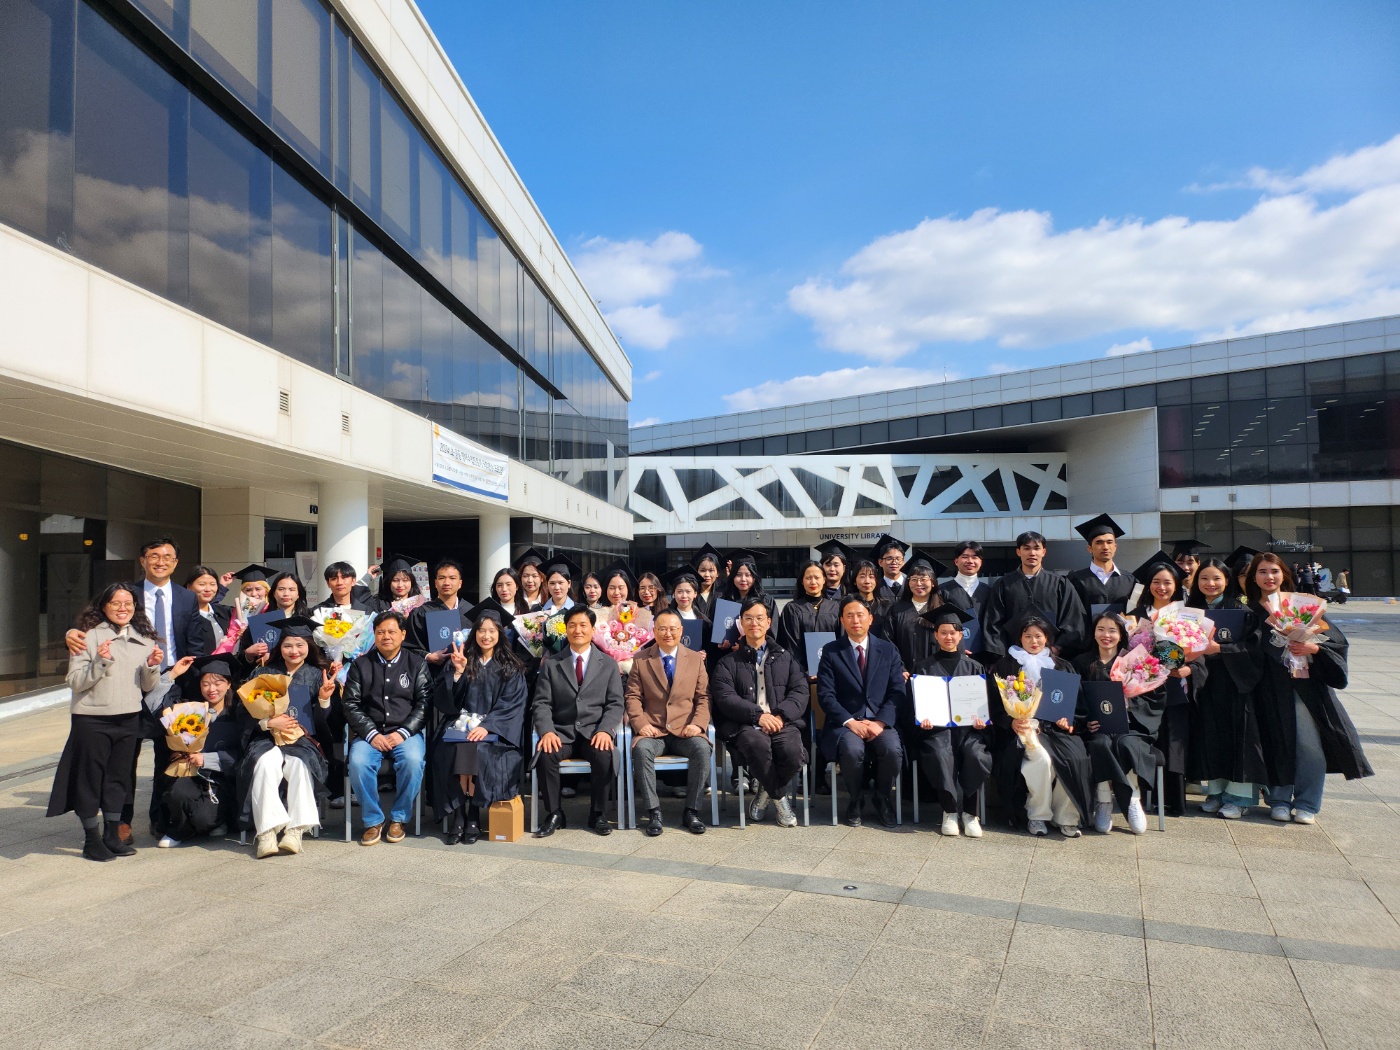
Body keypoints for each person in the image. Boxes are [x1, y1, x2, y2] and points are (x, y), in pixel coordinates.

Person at [62, 538, 202, 840]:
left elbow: (195, 642)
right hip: (128, 682)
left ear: (176, 562)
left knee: (168, 754)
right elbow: (93, 620)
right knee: (124, 759)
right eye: (154, 556)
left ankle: (160, 818)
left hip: (171, 682)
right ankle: (121, 821)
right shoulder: (127, 593)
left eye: (167, 557)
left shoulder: (187, 598)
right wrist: (71, 632)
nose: (161, 562)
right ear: (143, 561)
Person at [1246, 553, 1372, 824]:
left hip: (1303, 685)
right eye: (1262, 571)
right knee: (1274, 740)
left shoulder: (1302, 604)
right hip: (1267, 688)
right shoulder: (1250, 611)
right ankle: (1279, 799)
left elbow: (1333, 640)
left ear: (1284, 574)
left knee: (1308, 744)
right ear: (1253, 577)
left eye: (1274, 571)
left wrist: (1313, 648)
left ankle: (1307, 803)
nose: (1269, 577)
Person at [47, 583, 163, 861]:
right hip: (92, 719)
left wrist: (151, 665)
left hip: (128, 718)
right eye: (116, 603)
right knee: (90, 779)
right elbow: (75, 681)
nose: (123, 608)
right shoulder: (85, 637)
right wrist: (100, 660)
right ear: (103, 606)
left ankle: (112, 834)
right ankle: (91, 839)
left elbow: (147, 686)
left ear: (135, 608)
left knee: (118, 778)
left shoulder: (144, 640)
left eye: (128, 603)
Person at [430, 600, 529, 844]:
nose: (486, 636)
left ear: (500, 633)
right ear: (474, 633)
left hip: (497, 733)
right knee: (449, 749)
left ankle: (472, 813)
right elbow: (446, 701)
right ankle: (460, 815)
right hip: (459, 726)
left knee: (479, 748)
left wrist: (487, 726)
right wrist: (458, 673)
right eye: (481, 630)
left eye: (492, 631)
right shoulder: (463, 659)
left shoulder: (511, 667)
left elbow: (512, 705)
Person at [987, 612, 1092, 837]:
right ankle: (1037, 815)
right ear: (1020, 638)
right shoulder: (1006, 666)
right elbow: (993, 704)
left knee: (1075, 759)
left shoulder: (1062, 666)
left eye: (1038, 636)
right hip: (1024, 729)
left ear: (1047, 638)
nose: (1033, 641)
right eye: (1027, 636)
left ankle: (1066, 817)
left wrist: (1070, 721)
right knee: (1042, 760)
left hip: (1056, 730)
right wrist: (1011, 721)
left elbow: (1077, 704)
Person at [711, 596, 809, 828]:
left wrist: (780, 715)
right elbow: (725, 697)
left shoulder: (786, 657)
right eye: (748, 618)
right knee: (758, 748)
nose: (754, 623)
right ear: (741, 623)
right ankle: (780, 800)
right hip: (745, 724)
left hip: (782, 722)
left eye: (759, 618)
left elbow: (800, 691)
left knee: (794, 753)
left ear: (768, 622)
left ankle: (766, 791)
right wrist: (758, 716)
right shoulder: (727, 662)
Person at [341, 611, 435, 846]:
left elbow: (425, 703)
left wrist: (403, 733)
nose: (386, 637)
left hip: (406, 733)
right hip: (369, 734)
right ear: (374, 635)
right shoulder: (361, 665)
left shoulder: (417, 664)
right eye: (381, 632)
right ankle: (373, 820)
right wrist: (371, 734)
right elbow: (350, 704)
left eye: (392, 632)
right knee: (358, 762)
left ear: (403, 634)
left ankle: (399, 818)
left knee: (413, 761)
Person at [531, 606, 625, 837]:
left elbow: (615, 704)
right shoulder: (552, 664)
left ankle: (598, 814)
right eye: (572, 625)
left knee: (604, 755)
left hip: (594, 731)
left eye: (583, 625)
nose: (578, 630)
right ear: (566, 630)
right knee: (546, 755)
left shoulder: (608, 664)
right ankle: (554, 813)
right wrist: (547, 731)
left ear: (593, 630)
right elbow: (541, 703)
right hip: (561, 732)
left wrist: (606, 730)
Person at [235, 643, 332, 858]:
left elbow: (328, 722)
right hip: (265, 738)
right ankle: (267, 833)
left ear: (309, 647)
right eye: (288, 645)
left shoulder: (317, 675)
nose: (294, 651)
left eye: (300, 645)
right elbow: (242, 712)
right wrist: (267, 723)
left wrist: (324, 699)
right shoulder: (262, 672)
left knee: (299, 764)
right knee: (263, 763)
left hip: (302, 740)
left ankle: (295, 830)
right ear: (280, 648)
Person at [1185, 557, 1265, 818]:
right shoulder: (1191, 611)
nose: (1210, 583)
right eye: (1204, 578)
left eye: (1216, 578)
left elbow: (1254, 650)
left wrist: (1220, 648)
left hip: (1234, 683)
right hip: (1205, 683)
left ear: (1227, 580)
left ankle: (1239, 798)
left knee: (1238, 737)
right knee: (1211, 736)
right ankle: (1216, 792)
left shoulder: (1240, 610)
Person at [816, 596, 906, 828]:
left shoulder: (888, 650)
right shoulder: (831, 651)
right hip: (847, 723)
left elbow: (897, 692)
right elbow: (826, 695)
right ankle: (855, 799)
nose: (855, 620)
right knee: (851, 750)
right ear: (842, 621)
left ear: (870, 619)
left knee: (892, 750)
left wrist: (880, 722)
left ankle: (882, 797)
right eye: (849, 616)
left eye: (860, 615)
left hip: (879, 721)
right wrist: (849, 721)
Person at [1127, 551, 1203, 816]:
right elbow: (1125, 653)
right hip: (1144, 689)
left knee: (1174, 742)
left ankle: (1174, 799)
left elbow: (1200, 654)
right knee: (1149, 740)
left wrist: (1188, 669)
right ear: (1148, 585)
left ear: (1176, 585)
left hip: (1174, 688)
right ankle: (1144, 796)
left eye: (1168, 582)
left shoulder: (1187, 616)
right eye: (1156, 581)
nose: (1162, 587)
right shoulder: (1135, 616)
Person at [624, 609, 712, 836]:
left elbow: (703, 697)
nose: (668, 633)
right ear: (654, 631)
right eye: (662, 629)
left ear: (681, 631)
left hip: (686, 730)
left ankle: (692, 811)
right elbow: (632, 697)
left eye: (673, 629)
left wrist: (698, 724)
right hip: (654, 730)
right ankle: (654, 812)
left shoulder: (695, 659)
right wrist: (641, 723)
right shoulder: (641, 659)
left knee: (702, 749)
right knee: (641, 750)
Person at [908, 604, 992, 837]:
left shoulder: (974, 667)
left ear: (960, 635)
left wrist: (982, 721)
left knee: (976, 754)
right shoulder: (923, 667)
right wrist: (922, 720)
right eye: (943, 632)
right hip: (937, 730)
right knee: (940, 754)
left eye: (953, 632)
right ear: (935, 635)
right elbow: (913, 704)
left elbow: (984, 704)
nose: (948, 637)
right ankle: (950, 811)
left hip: (968, 730)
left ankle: (971, 813)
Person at [1073, 611, 1158, 835]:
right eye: (1100, 629)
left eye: (1112, 630)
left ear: (1121, 635)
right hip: (1097, 729)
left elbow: (1153, 698)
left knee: (1126, 744)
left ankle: (1133, 799)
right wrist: (1085, 721)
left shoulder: (1134, 662)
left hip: (1130, 727)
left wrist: (1130, 701)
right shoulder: (1081, 663)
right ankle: (1104, 801)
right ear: (1093, 633)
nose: (1106, 635)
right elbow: (1075, 699)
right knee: (1100, 744)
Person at [150, 655, 244, 848]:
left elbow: (244, 754)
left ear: (228, 685)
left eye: (218, 683)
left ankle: (215, 821)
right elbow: (153, 704)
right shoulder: (190, 711)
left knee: (205, 818)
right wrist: (172, 674)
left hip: (224, 780)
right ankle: (178, 830)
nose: (211, 689)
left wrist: (207, 759)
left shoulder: (240, 713)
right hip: (191, 775)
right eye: (205, 684)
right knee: (177, 792)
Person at [982, 531, 1086, 658]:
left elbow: (1072, 619)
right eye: (1026, 548)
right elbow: (993, 622)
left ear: (1044, 552)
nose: (1032, 553)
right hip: (1014, 657)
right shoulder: (1004, 584)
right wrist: (1004, 654)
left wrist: (1057, 648)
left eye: (1037, 548)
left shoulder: (1060, 584)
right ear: (1018, 552)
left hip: (1051, 657)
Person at [1065, 514, 1136, 642]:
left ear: (1115, 547)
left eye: (1109, 542)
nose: (1105, 547)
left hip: (1121, 645)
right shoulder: (1075, 580)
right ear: (1089, 548)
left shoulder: (1129, 580)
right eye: (1099, 542)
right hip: (1085, 645)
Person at [884, 549, 949, 672]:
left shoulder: (942, 611)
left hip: (937, 674)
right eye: (913, 579)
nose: (918, 584)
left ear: (933, 582)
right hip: (905, 674)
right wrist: (899, 667)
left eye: (923, 579)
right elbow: (888, 642)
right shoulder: (896, 610)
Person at [777, 561, 840, 676]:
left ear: (824, 580)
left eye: (817, 577)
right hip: (801, 674)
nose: (813, 582)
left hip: (833, 672)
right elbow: (791, 645)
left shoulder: (835, 608)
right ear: (802, 581)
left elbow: (841, 639)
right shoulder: (792, 608)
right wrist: (804, 671)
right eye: (808, 578)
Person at [406, 558, 473, 663]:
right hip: (434, 671)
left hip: (467, 669)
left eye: (452, 578)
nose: (446, 583)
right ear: (435, 583)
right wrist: (428, 656)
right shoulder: (422, 613)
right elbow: (409, 647)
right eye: (442, 578)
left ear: (460, 583)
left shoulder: (470, 611)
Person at [184, 565, 233, 659]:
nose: (208, 589)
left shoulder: (224, 612)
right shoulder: (184, 616)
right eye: (202, 584)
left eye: (212, 584)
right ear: (189, 587)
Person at [312, 561, 387, 616]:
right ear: (328, 583)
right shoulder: (318, 612)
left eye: (344, 577)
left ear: (353, 581)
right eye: (334, 578)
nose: (339, 582)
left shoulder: (367, 612)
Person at [690, 544, 725, 621]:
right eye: (702, 570)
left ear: (717, 573)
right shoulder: (690, 593)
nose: (707, 575)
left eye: (711, 570)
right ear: (696, 572)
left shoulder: (723, 594)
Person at [872, 534, 909, 601]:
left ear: (903, 562)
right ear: (880, 562)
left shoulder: (911, 585)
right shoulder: (874, 588)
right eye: (889, 558)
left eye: (898, 559)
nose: (894, 562)